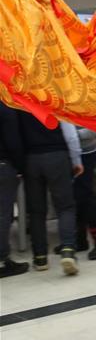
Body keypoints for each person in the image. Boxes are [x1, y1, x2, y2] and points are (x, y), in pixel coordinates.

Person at [18, 112, 82, 275]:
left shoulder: (20, 102)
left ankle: (40, 257)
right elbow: (70, 134)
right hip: (57, 156)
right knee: (65, 207)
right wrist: (76, 160)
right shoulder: (53, 98)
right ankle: (68, 250)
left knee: (36, 211)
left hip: (31, 160)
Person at [69, 128, 96, 260]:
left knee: (85, 195)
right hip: (70, 150)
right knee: (76, 195)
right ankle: (80, 237)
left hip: (85, 151)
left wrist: (74, 135)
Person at [0, 102, 28, 277]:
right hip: (3, 165)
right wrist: (20, 167)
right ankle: (2, 261)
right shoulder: (4, 106)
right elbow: (13, 140)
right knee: (3, 214)